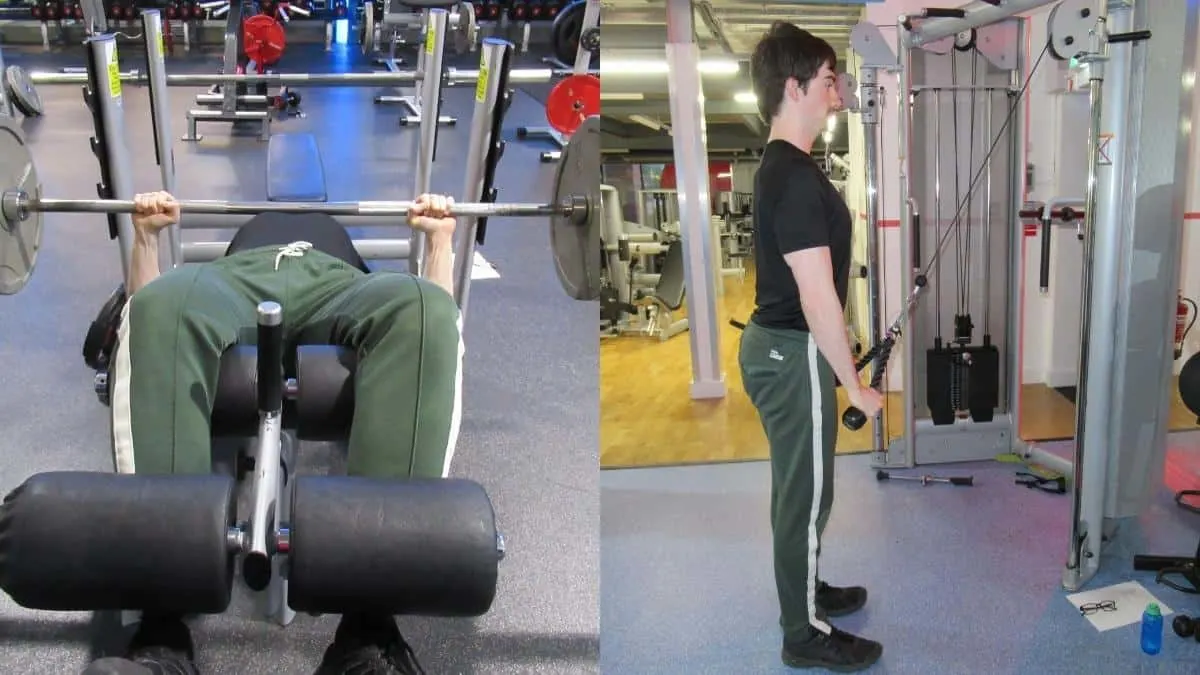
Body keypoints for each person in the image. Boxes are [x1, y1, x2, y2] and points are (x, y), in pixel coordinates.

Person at [91, 191, 463, 675]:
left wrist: (439, 243)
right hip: (236, 280)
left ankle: (368, 634)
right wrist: (145, 236)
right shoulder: (241, 243)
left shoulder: (341, 246)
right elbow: (144, 312)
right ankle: (161, 639)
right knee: (160, 303)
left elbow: (439, 321)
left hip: (338, 283)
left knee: (422, 307)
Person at [737, 23, 886, 672]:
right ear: (794, 87)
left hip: (789, 348)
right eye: (829, 81)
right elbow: (817, 294)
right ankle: (801, 632)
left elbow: (817, 292)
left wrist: (841, 353)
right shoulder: (791, 175)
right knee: (805, 498)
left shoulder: (787, 169)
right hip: (791, 352)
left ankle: (807, 587)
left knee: (807, 494)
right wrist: (853, 383)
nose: (837, 94)